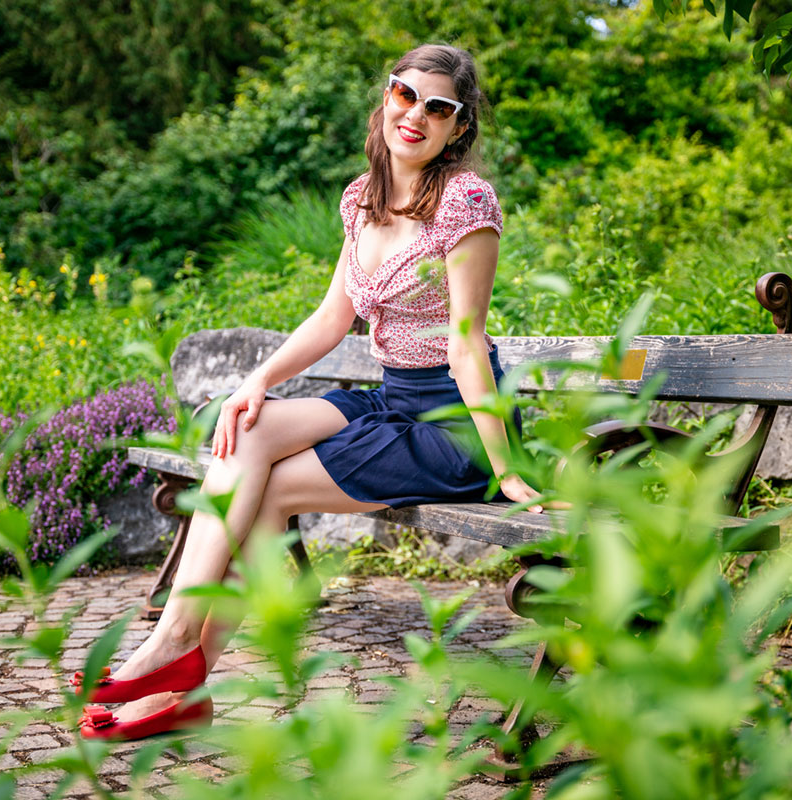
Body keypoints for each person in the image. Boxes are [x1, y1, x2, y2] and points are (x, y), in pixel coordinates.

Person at [76, 43, 544, 740]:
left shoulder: (464, 202)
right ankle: (178, 656)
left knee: (262, 490)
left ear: (459, 128)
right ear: (386, 97)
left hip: (453, 425)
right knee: (245, 431)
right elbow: (333, 318)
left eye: (437, 107)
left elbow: (467, 342)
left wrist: (507, 469)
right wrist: (255, 381)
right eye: (404, 94)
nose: (415, 115)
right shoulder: (362, 199)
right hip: (391, 400)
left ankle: (178, 667)